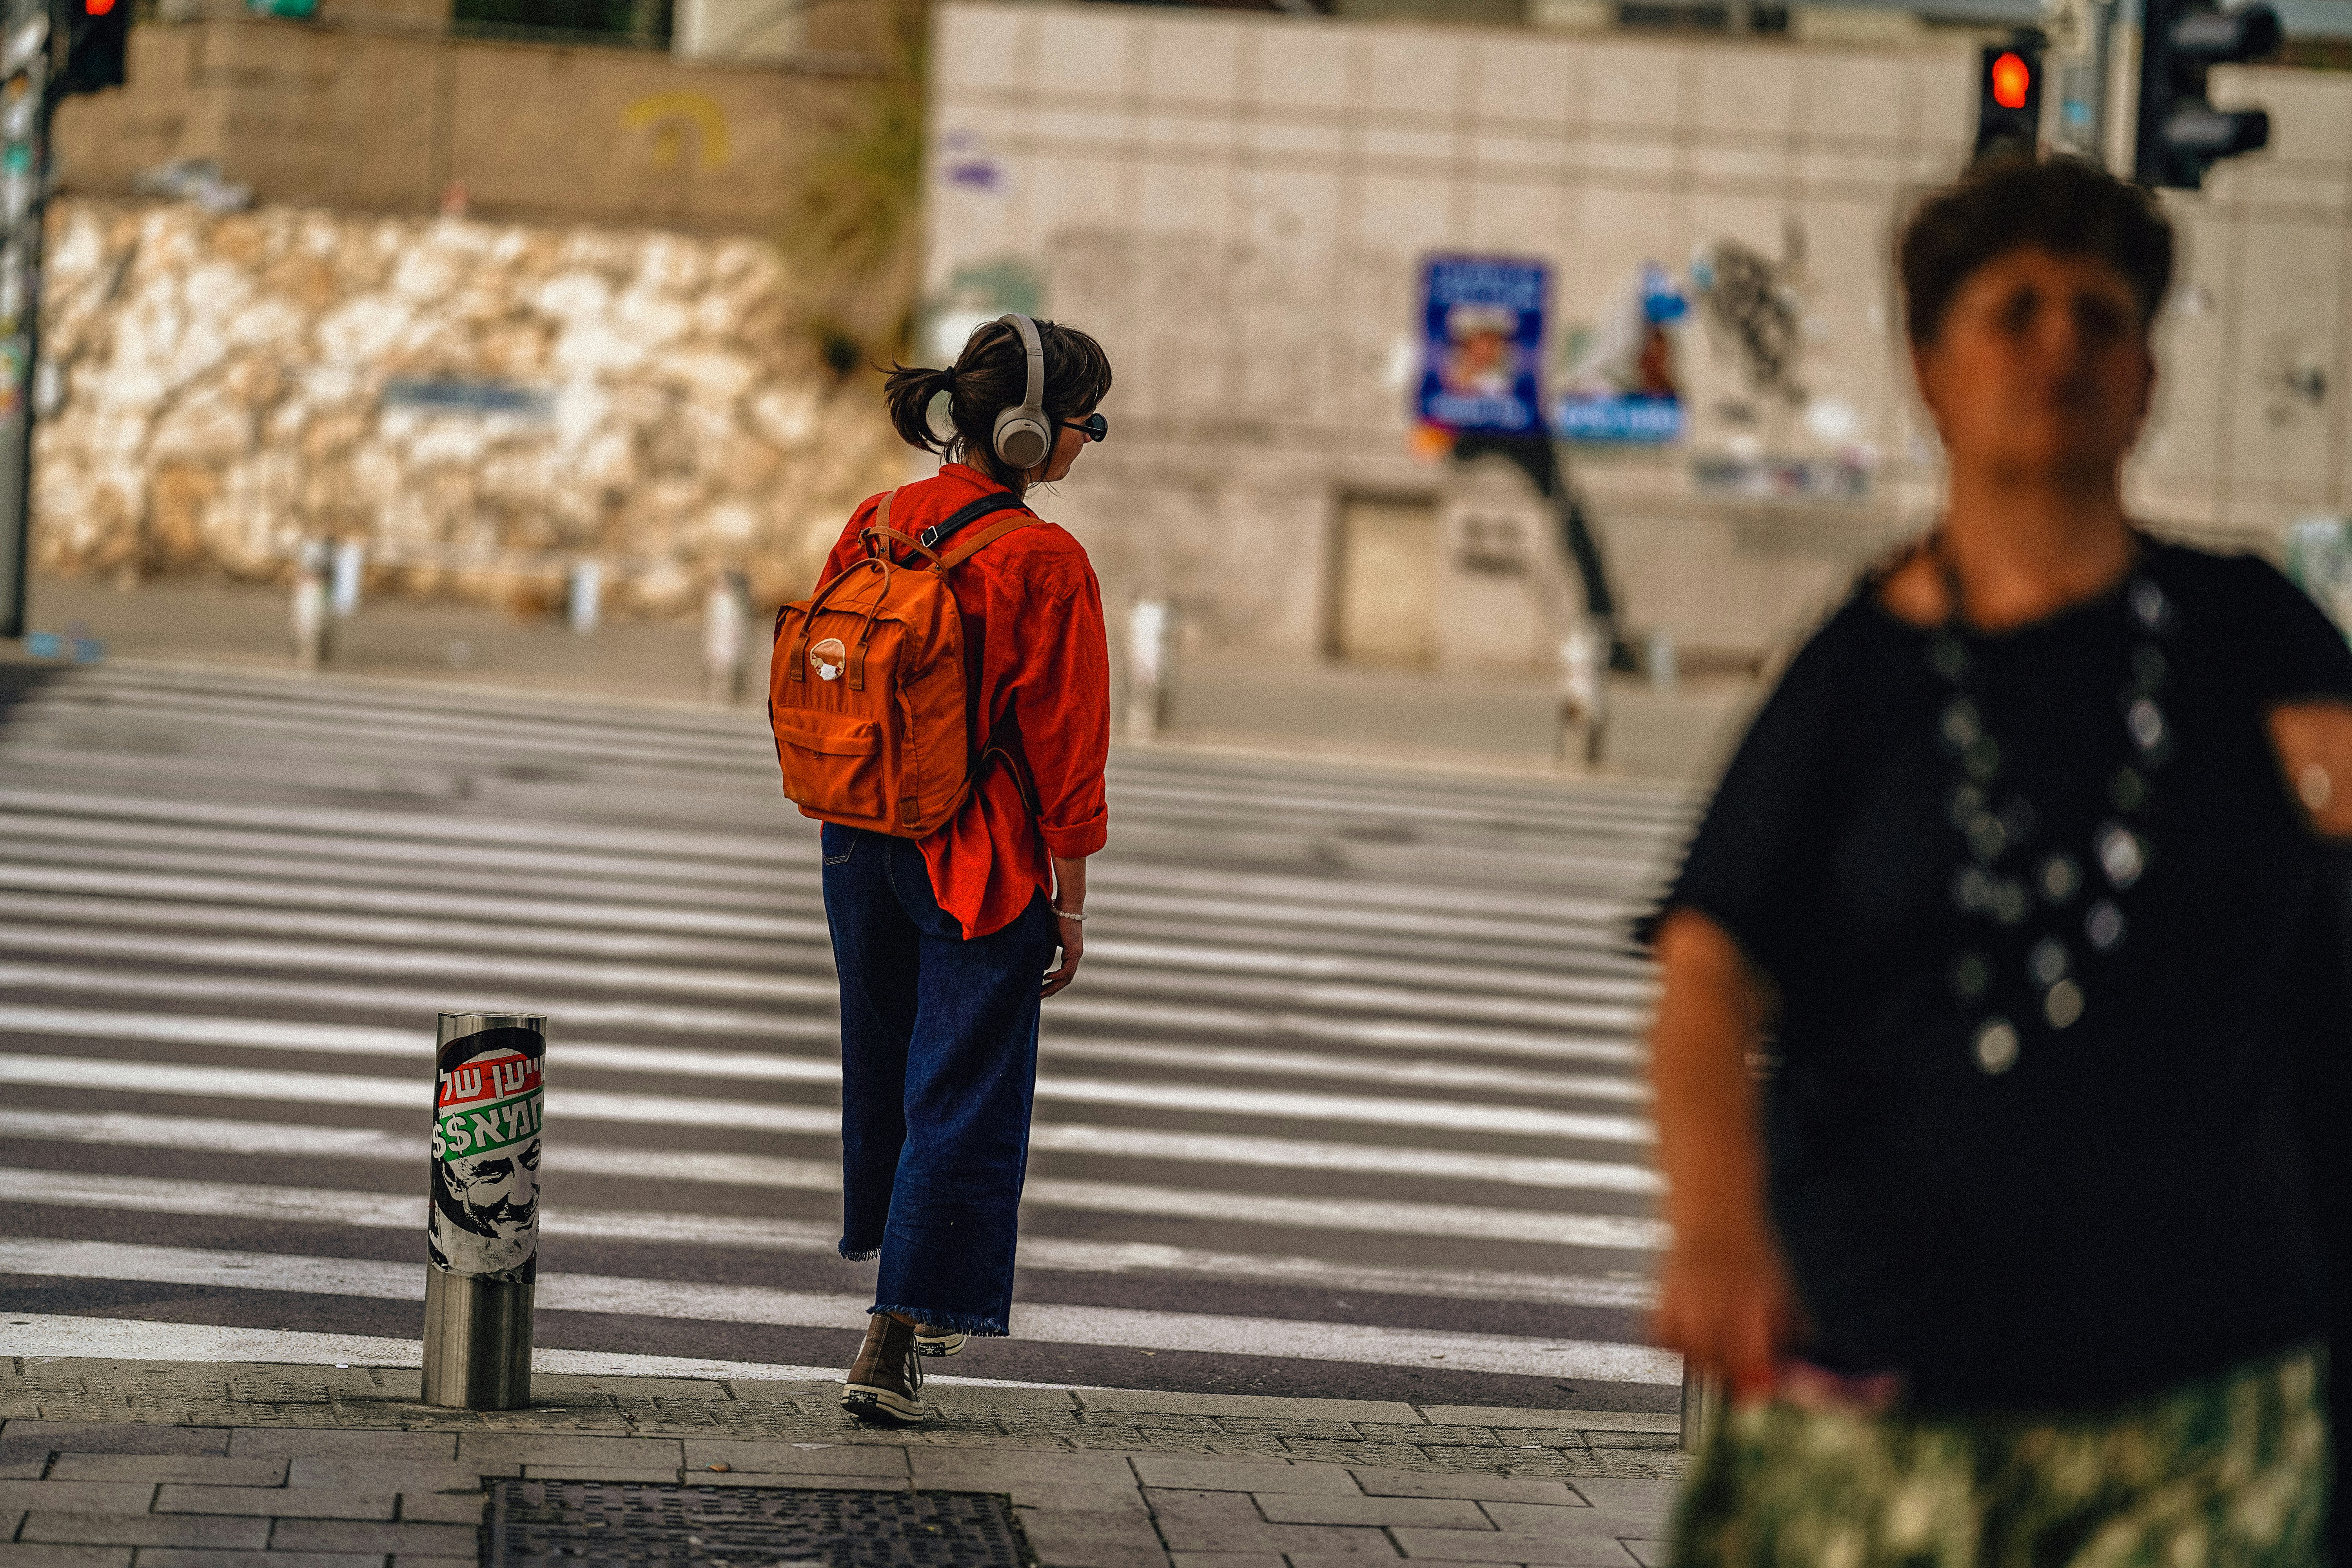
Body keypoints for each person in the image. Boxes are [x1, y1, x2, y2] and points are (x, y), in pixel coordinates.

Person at [1643, 155, 2352, 1565]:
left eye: (2102, 315)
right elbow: (1709, 969)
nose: (2060, 345)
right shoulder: (1859, 677)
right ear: (1928, 367)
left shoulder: (2253, 638)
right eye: (2013, 309)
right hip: (1889, 1380)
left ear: (2148, 377)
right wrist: (1718, 1234)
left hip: (2205, 1397)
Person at [813, 316, 1113, 1426]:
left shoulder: (878, 519)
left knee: (892, 1068)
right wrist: (1071, 899)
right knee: (965, 1088)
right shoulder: (1045, 562)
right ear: (1031, 432)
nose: (1088, 441)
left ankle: (908, 1279)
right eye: (1087, 423)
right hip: (976, 861)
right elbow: (1067, 750)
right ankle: (894, 1339)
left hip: (857, 835)